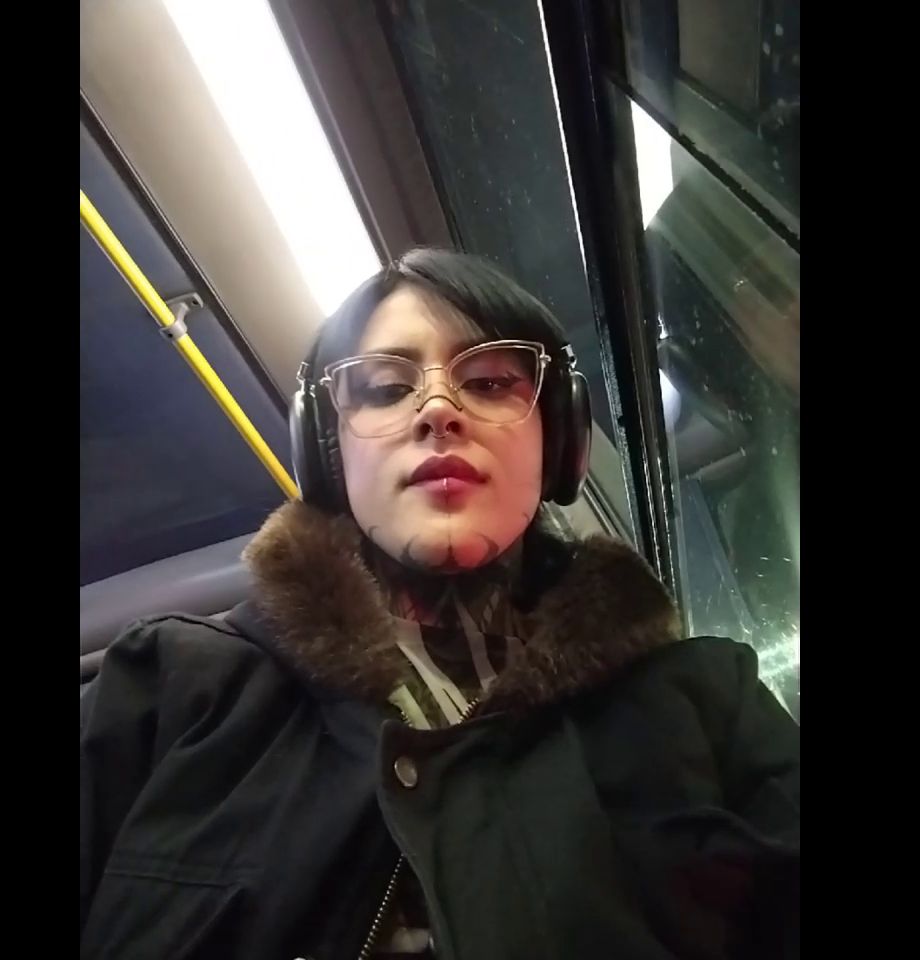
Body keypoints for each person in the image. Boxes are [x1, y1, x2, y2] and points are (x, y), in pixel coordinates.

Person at [80, 248, 799, 960]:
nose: (437, 411)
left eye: (488, 382)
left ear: (559, 436)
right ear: (327, 453)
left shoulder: (708, 703)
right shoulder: (169, 686)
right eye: (385, 389)